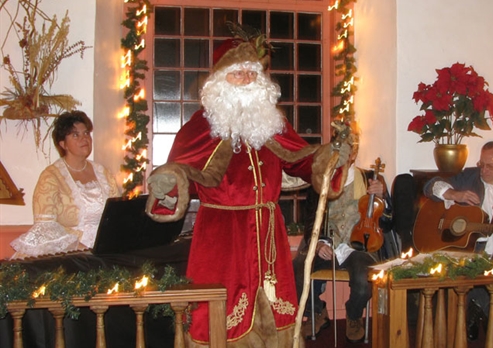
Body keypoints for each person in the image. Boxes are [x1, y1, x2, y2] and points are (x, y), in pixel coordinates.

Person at [144, 37, 351, 347]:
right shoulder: (201, 127)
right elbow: (179, 170)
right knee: (221, 312)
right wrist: (167, 181)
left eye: (252, 73)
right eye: (237, 73)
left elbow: (301, 160)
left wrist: (332, 156)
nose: (246, 80)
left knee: (275, 308)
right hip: (223, 238)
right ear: (219, 80)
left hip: (270, 231)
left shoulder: (272, 122)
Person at [423, 141, 493, 340]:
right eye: (481, 164)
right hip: (471, 249)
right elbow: (430, 186)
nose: (484, 170)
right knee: (460, 269)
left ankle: (473, 310)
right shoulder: (469, 177)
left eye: (490, 165)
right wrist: (454, 193)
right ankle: (473, 313)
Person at [292, 139, 393, 343]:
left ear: (354, 154)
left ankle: (354, 315)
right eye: (338, 150)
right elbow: (311, 221)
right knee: (298, 268)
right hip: (327, 243)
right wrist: (319, 243)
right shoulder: (320, 181)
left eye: (348, 151)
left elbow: (389, 224)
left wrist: (383, 198)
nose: (342, 155)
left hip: (359, 245)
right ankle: (317, 311)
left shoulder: (371, 179)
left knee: (364, 282)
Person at [10, 110, 119, 258]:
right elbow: (45, 226)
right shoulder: (51, 176)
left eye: (86, 133)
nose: (84, 138)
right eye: (76, 135)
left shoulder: (103, 172)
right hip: (68, 253)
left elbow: (116, 213)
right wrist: (80, 249)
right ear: (63, 144)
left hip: (107, 249)